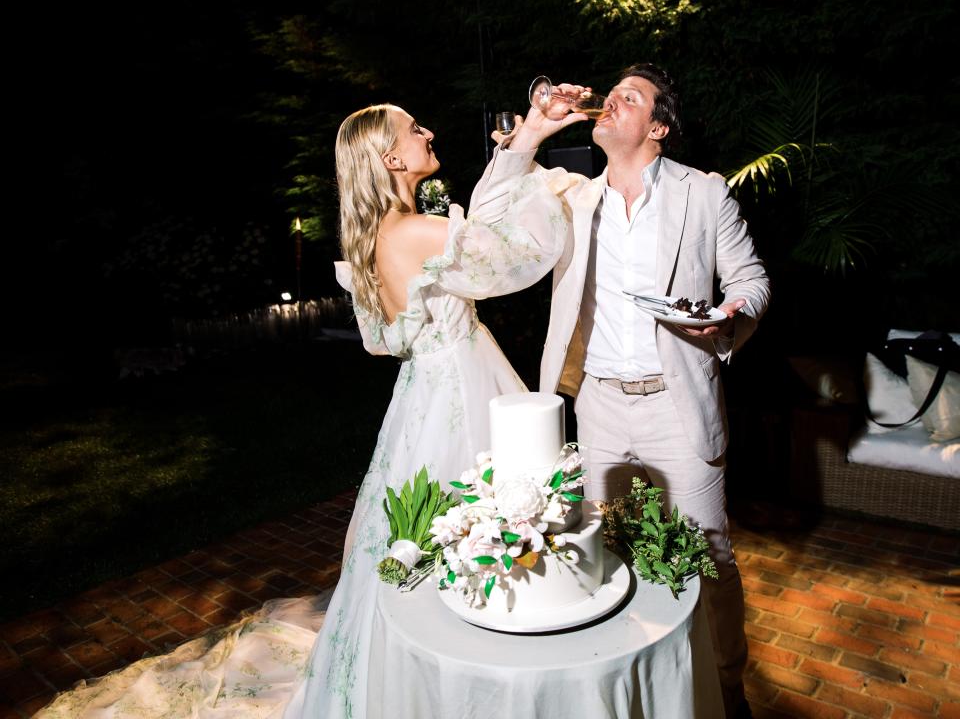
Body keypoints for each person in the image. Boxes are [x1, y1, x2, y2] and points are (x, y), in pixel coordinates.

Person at [472, 64, 771, 718]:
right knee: (603, 549)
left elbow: (751, 277)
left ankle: (727, 686)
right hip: (599, 403)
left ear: (658, 126)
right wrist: (531, 136)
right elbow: (488, 220)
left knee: (708, 553)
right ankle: (629, 683)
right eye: (609, 96)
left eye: (628, 99)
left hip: (677, 401)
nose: (610, 103)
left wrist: (730, 314)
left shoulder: (704, 194)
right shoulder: (568, 194)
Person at [282, 103, 575, 718]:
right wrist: (545, 179)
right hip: (463, 387)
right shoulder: (416, 233)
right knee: (481, 523)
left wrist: (519, 148)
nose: (428, 133)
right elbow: (523, 254)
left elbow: (382, 338)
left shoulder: (376, 239)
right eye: (414, 131)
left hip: (420, 393)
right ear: (390, 159)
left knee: (429, 533)